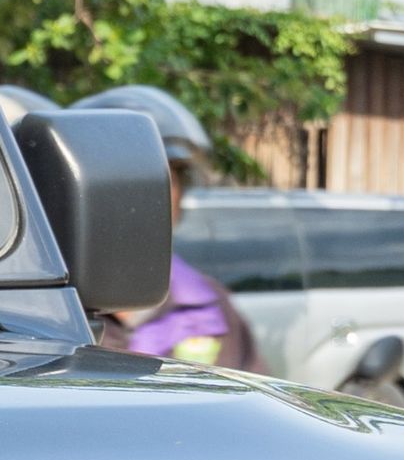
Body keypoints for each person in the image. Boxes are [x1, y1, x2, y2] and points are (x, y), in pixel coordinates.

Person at [72, 82, 262, 374]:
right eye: (128, 179)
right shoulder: (45, 310)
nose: (148, 197)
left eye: (164, 179)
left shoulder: (208, 305)